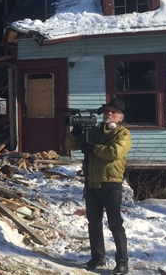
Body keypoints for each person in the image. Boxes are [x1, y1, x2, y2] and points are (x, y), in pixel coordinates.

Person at [65, 97, 131, 275]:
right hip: (92, 184)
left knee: (115, 224)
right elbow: (70, 145)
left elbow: (114, 152)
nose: (109, 114)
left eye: (113, 112)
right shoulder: (94, 132)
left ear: (120, 118)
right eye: (107, 110)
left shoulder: (123, 134)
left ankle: (122, 262)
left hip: (111, 185)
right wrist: (76, 132)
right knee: (93, 222)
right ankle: (97, 257)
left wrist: (93, 148)